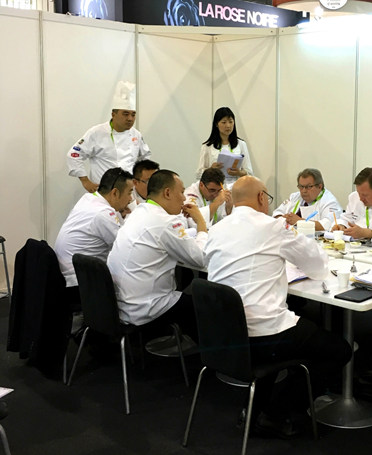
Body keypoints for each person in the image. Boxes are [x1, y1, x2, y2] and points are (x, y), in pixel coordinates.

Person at [205, 176, 351, 437]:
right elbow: (318, 267)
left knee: (293, 326)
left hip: (224, 335)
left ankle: (256, 408)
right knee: (339, 349)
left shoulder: (217, 229)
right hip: (263, 334)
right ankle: (275, 412)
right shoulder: (273, 227)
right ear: (262, 198)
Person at [107, 170, 208, 341]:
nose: (184, 198)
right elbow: (200, 259)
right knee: (206, 305)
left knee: (185, 285)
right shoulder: (165, 222)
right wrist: (201, 224)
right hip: (145, 309)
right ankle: (205, 354)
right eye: (181, 192)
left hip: (121, 306)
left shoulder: (139, 212)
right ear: (167, 193)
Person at [55, 167, 133, 291]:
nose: (131, 199)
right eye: (129, 193)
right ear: (115, 193)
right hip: (81, 285)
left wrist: (119, 215)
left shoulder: (87, 199)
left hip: (67, 278)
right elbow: (127, 249)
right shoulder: (103, 213)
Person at [67, 81, 151, 193]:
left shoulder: (136, 135)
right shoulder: (96, 133)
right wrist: (85, 181)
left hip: (129, 193)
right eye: (125, 114)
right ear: (113, 114)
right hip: (103, 192)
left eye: (133, 114)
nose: (130, 119)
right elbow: (74, 155)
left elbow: (145, 158)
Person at [196, 107, 253, 187]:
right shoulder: (207, 146)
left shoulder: (241, 144)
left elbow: (249, 172)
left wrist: (239, 173)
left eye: (231, 122)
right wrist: (211, 169)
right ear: (216, 124)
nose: (228, 126)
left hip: (236, 188)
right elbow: (198, 174)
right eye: (224, 122)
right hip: (215, 188)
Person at [273, 168, 342, 231]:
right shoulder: (294, 197)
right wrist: (285, 219)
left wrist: (299, 222)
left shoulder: (330, 201)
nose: (304, 191)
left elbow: (328, 225)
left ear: (319, 186)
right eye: (301, 186)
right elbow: (276, 214)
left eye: (309, 187)